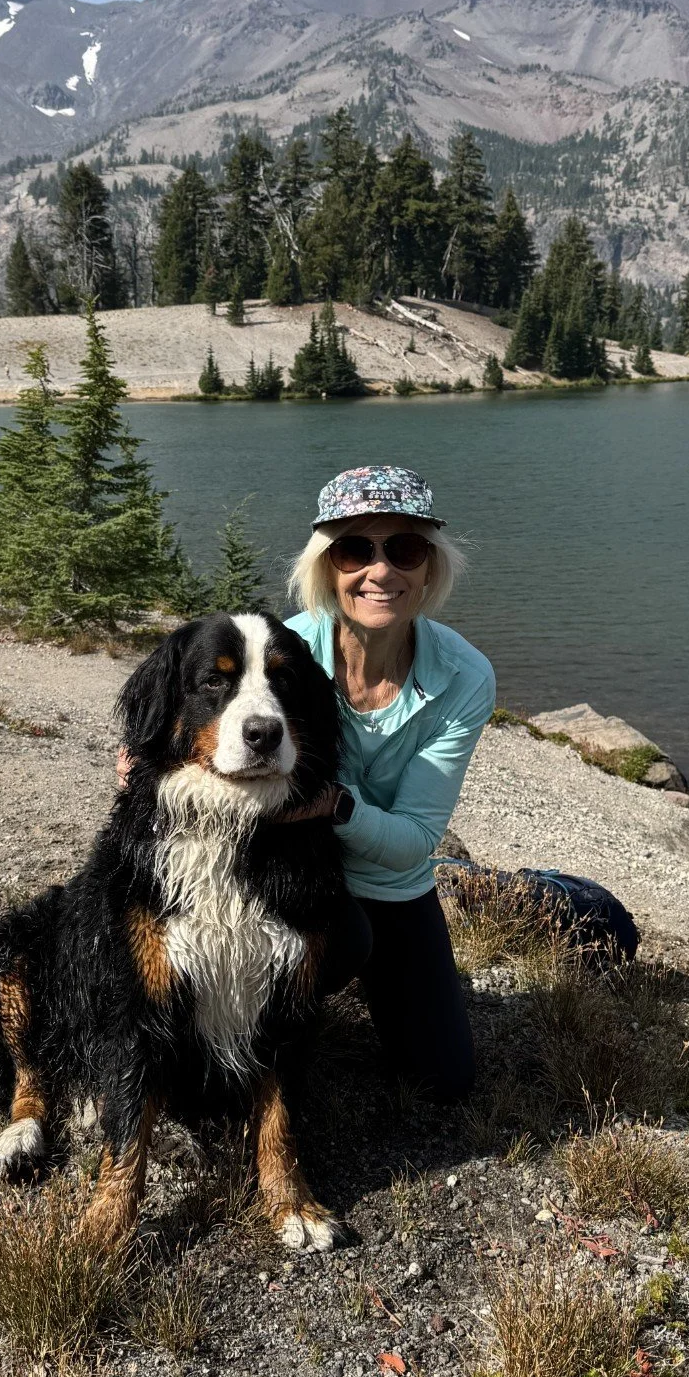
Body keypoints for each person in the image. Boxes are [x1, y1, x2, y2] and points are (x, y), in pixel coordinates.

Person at [282, 464, 494, 1101]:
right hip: (298, 869)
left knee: (443, 1080)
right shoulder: (284, 655)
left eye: (404, 549)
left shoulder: (464, 677)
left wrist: (335, 806)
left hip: (392, 881)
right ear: (326, 567)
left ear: (430, 567)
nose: (380, 571)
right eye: (354, 549)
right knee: (337, 947)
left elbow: (415, 840)